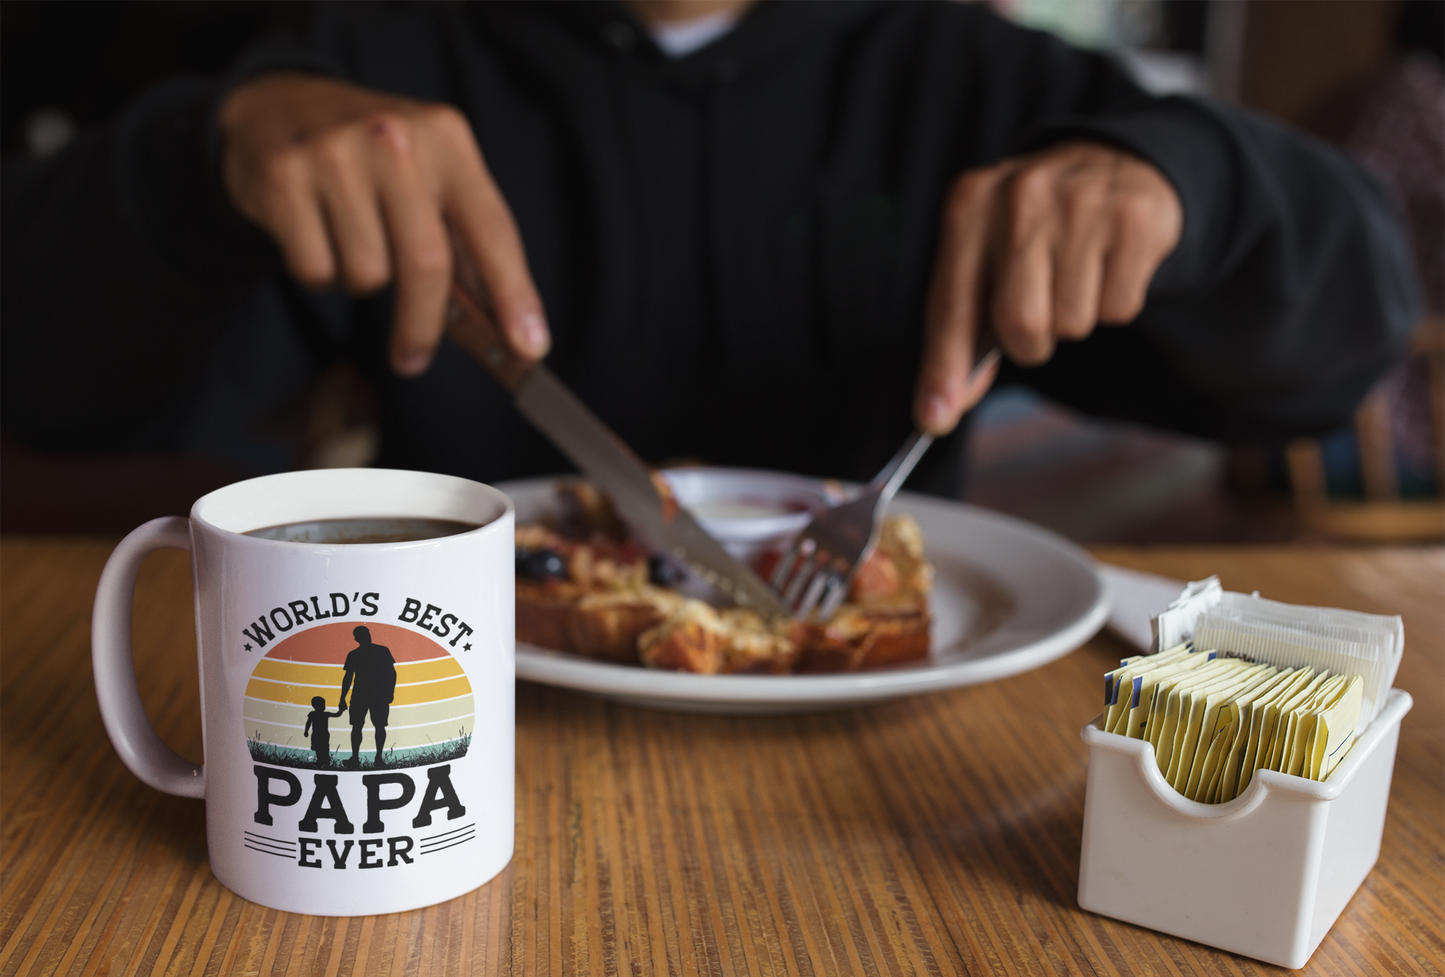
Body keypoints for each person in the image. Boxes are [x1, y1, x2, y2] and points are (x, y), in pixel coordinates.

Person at [0, 0, 1422, 495]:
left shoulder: (981, 86)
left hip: (905, 792)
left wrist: (1196, 183)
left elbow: (1333, 355)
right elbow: (50, 394)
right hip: (477, 738)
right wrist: (206, 149)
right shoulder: (377, 62)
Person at [338, 625, 397, 768]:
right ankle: (358, 758)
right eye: (362, 635)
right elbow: (348, 678)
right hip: (364, 695)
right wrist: (342, 698)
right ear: (357, 639)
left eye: (366, 634)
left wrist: (390, 692)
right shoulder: (356, 654)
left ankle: (376, 758)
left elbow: (392, 673)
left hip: (375, 695)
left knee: (376, 726)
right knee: (360, 726)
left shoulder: (381, 651)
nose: (365, 637)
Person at [302, 695, 344, 769]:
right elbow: (308, 723)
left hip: (323, 735)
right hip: (318, 735)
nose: (324, 706)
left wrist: (341, 710)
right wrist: (306, 731)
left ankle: (326, 761)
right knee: (319, 748)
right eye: (322, 704)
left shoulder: (323, 714)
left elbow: (337, 714)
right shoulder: (314, 714)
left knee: (324, 747)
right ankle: (321, 761)